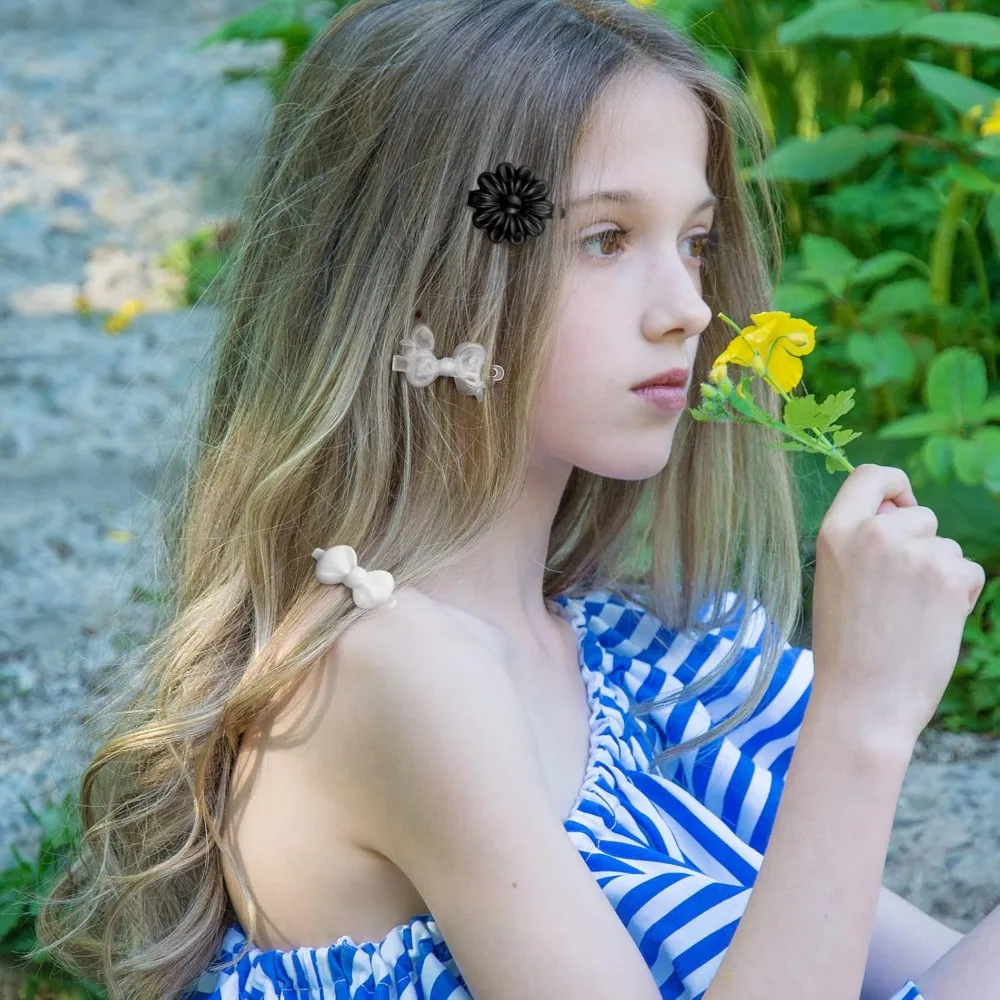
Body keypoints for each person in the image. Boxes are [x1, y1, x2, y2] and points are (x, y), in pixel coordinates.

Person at [30, 1, 996, 998]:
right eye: (606, 239)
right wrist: (859, 721)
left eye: (695, 241)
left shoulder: (622, 664)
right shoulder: (392, 667)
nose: (688, 309)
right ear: (418, 277)